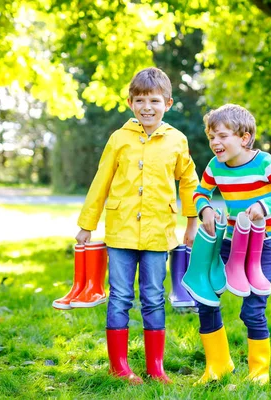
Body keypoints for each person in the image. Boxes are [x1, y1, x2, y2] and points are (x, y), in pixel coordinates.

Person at [75, 67, 199, 384]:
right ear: (131, 102)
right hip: (121, 232)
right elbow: (100, 182)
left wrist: (192, 221)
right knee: (119, 297)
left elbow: (189, 182)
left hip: (159, 233)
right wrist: (87, 224)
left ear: (167, 103)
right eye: (140, 100)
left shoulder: (177, 140)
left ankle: (155, 367)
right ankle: (119, 366)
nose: (147, 107)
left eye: (154, 100)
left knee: (154, 296)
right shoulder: (119, 139)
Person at [189, 104, 271, 385]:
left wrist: (265, 206)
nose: (215, 143)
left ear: (244, 138)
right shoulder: (215, 166)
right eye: (211, 137)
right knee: (206, 297)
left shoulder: (265, 163)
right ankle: (218, 365)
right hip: (230, 238)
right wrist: (204, 210)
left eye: (222, 136)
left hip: (263, 243)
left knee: (252, 309)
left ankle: (259, 371)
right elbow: (200, 192)